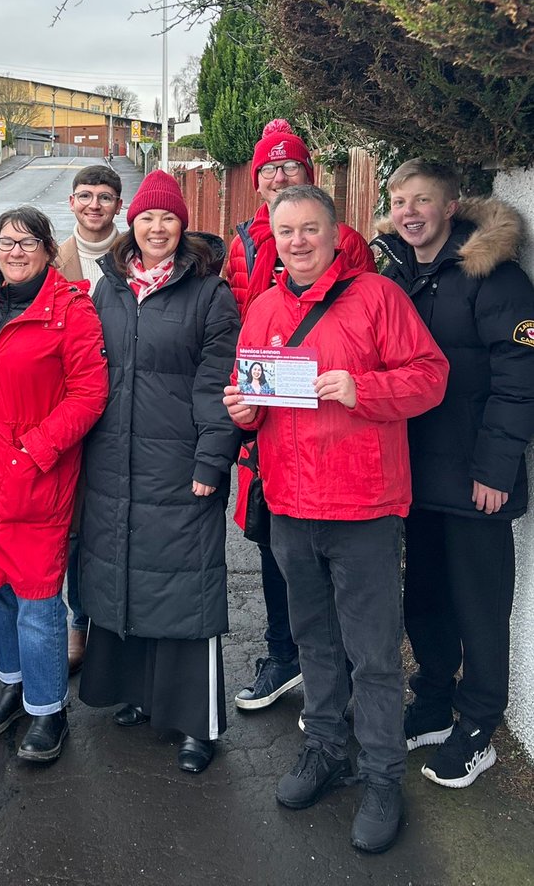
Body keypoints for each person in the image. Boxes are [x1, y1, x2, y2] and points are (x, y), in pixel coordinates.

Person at [224, 184, 448, 854]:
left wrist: (366, 388)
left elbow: (432, 376)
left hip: (363, 506)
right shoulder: (263, 307)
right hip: (291, 505)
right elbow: (255, 398)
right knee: (314, 643)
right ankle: (324, 749)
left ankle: (382, 776)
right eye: (285, 231)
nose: (297, 242)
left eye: (309, 230)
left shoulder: (378, 297)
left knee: (374, 655)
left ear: (334, 232)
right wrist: (243, 412)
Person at [373, 159, 534, 788]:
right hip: (413, 475)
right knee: (427, 598)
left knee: (479, 605)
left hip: (475, 480)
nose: (409, 212)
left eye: (422, 201)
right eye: (399, 201)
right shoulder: (395, 274)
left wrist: (495, 468)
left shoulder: (494, 276)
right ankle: (434, 702)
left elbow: (519, 381)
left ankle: (479, 725)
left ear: (449, 206)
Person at [78, 170, 242, 774]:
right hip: (113, 460)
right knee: (126, 571)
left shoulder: (209, 295)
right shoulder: (109, 290)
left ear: (183, 226)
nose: (156, 227)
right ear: (131, 223)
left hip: (179, 463)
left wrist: (210, 459)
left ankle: (197, 723)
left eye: (168, 218)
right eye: (146, 217)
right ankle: (140, 695)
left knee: (186, 586)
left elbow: (218, 383)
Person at [223, 119, 376, 715]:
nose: (281, 175)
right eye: (270, 169)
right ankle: (283, 655)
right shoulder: (241, 243)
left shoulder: (348, 241)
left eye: (291, 167)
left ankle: (338, 666)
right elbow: (237, 327)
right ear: (257, 181)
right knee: (271, 540)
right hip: (267, 424)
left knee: (332, 552)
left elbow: (362, 323)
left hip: (331, 424)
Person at [0, 207, 108, 765]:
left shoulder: (71, 311)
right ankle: (15, 688)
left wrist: (35, 450)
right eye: (7, 243)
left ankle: (49, 710)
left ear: (47, 250)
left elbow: (90, 394)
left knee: (39, 602)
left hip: (37, 476)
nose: (15, 253)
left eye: (28, 244)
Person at [56, 163, 124, 673]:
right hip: (70, 406)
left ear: (119, 205)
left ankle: (119, 622)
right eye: (85, 195)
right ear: (73, 202)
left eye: (105, 196)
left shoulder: (136, 255)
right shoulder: (51, 262)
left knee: (120, 520)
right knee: (75, 526)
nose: (94, 204)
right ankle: (78, 618)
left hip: (127, 406)